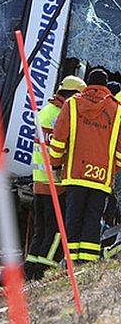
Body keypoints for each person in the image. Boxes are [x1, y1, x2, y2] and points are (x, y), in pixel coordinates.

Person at [50, 67, 121, 262]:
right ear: (106, 86)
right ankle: (87, 260)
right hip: (101, 177)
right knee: (93, 218)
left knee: (74, 216)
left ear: (88, 84)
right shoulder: (117, 109)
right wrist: (111, 168)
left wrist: (55, 166)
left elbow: (58, 140)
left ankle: (71, 260)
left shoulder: (72, 104)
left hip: (75, 173)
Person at [24, 75, 86, 280]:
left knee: (40, 229)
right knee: (56, 229)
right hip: (55, 183)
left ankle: (31, 267)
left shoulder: (44, 112)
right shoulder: (62, 115)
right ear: (72, 95)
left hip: (38, 181)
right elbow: (62, 148)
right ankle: (45, 267)